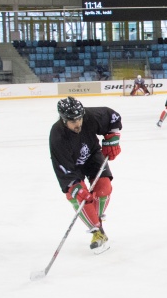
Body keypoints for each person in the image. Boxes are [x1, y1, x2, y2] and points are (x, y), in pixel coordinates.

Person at [49, 97, 122, 253]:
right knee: (79, 196)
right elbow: (62, 167)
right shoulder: (57, 135)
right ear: (63, 120)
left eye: (79, 118)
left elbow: (112, 116)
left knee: (104, 188)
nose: (78, 123)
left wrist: (112, 138)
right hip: (72, 166)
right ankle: (97, 232)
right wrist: (75, 188)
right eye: (73, 121)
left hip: (93, 156)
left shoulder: (89, 116)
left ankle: (96, 218)